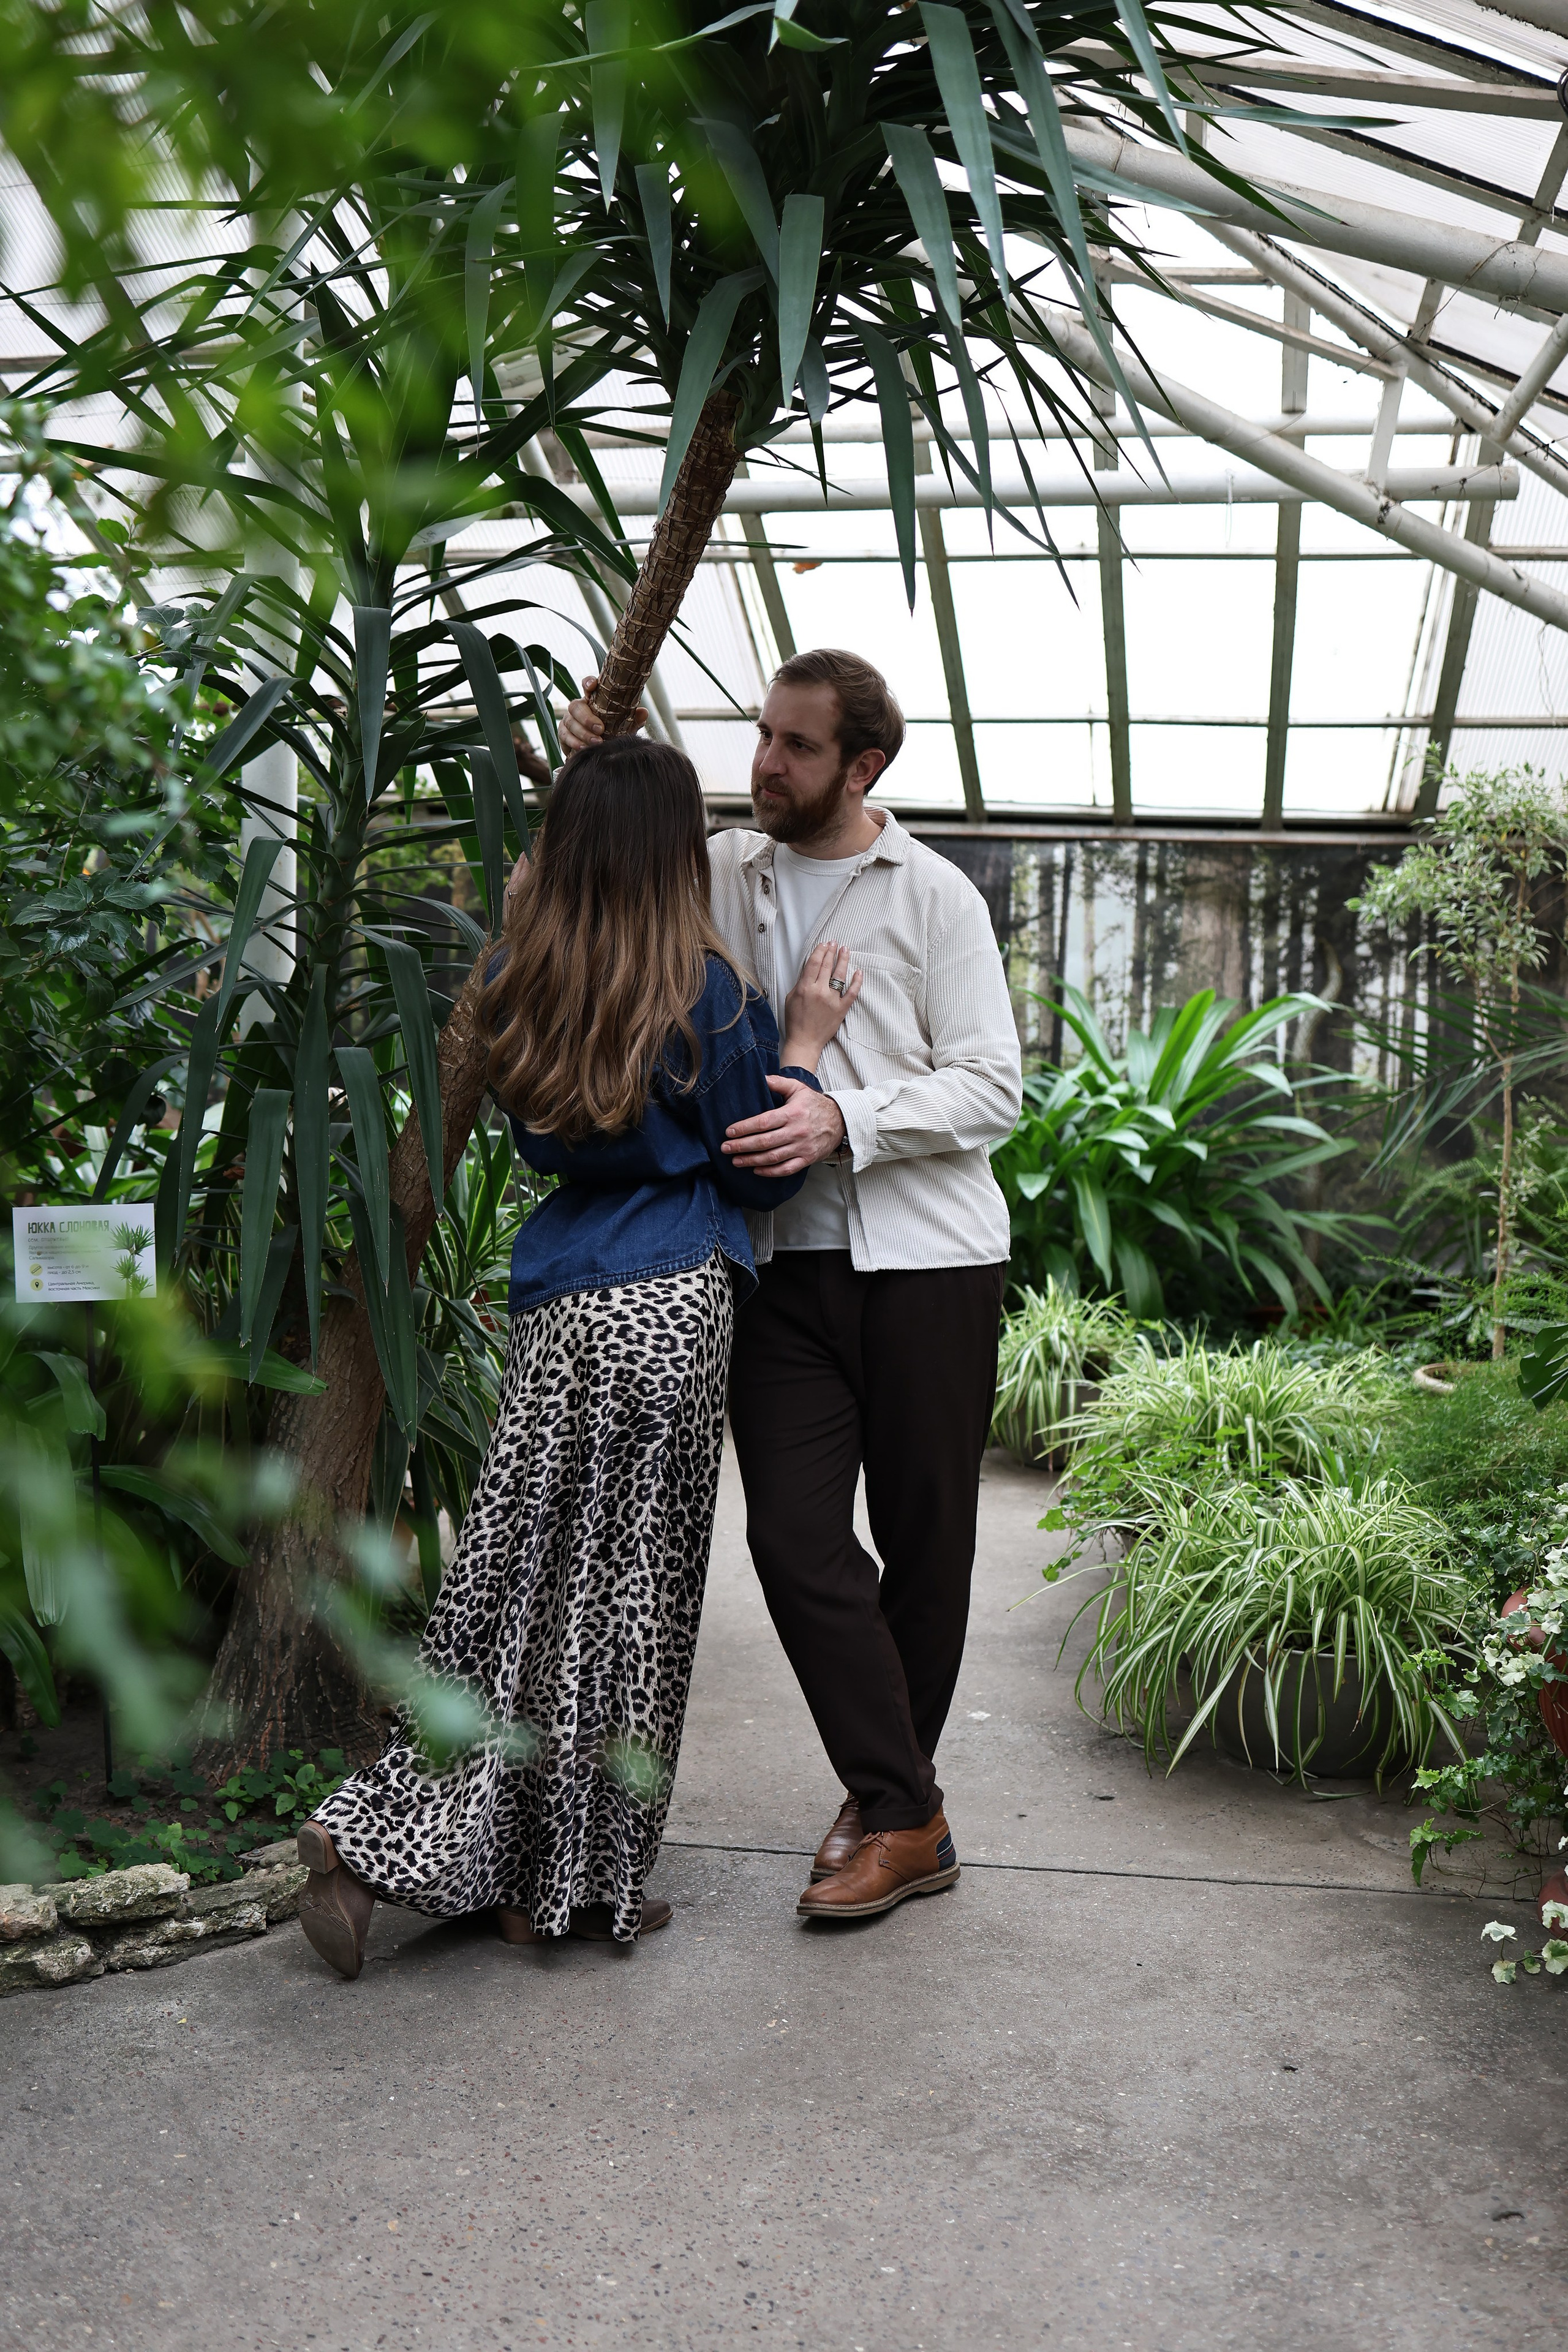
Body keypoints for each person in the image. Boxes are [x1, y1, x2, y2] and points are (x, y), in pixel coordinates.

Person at [294, 735, 862, 1979]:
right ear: (669, 850)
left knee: (508, 1588)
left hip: (556, 1304)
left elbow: (546, 1150)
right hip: (666, 1308)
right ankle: (566, 1884)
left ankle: (376, 1838)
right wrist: (807, 1043)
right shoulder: (706, 992)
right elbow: (746, 1154)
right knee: (625, 1609)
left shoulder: (512, 975)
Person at [559, 649, 1022, 1924]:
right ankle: (906, 1808)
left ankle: (885, 1803)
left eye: (795, 747)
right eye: (761, 736)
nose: (763, 764)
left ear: (861, 766)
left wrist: (843, 1118)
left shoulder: (934, 899)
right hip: (772, 1267)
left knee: (927, 1549)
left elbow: (993, 1087)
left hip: (930, 1261)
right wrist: (587, 750)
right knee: (793, 1543)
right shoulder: (714, 871)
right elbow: (598, 866)